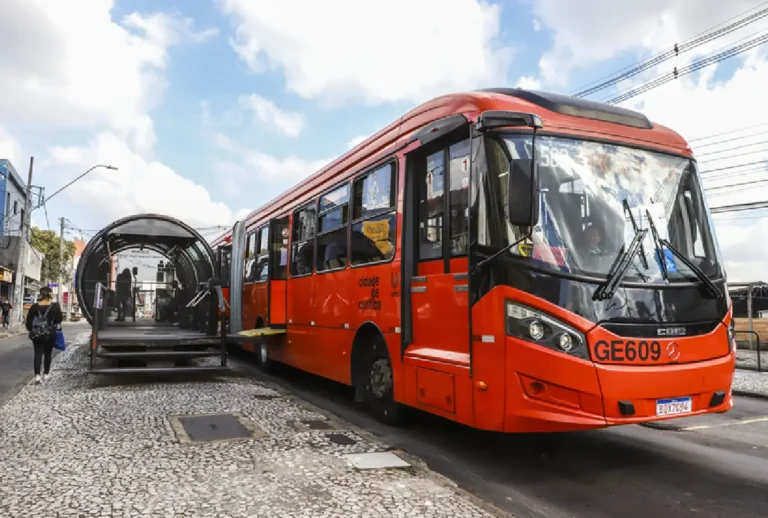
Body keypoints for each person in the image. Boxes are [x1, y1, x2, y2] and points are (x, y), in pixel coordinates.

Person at [25, 287, 63, 384]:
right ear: (50, 295)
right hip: (50, 333)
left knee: (37, 353)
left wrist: (32, 330)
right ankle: (46, 374)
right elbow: (58, 319)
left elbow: (28, 322)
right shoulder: (55, 306)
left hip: (36, 333)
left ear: (40, 294)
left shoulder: (34, 307)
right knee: (47, 354)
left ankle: (37, 376)